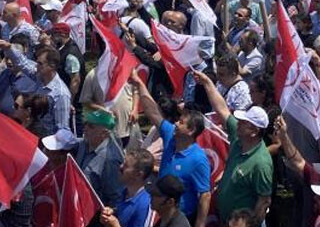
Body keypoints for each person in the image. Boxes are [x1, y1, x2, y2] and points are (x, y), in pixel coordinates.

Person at [132, 72, 212, 227]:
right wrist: (139, 84)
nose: (175, 124)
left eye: (181, 122)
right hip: (160, 214)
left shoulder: (198, 159)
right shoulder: (170, 135)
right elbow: (153, 112)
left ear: (191, 130)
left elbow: (205, 195)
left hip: (181, 219)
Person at [195, 71, 273, 224]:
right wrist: (207, 83)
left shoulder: (261, 163)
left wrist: (251, 223)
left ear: (254, 131)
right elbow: (222, 109)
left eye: (244, 122)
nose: (238, 123)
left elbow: (264, 200)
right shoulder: (239, 139)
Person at [74, 109, 126, 208]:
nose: (85, 128)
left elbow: (115, 197)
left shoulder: (110, 160)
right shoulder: (84, 144)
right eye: (85, 124)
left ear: (104, 134)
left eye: (91, 126)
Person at [102, 149, 156, 227]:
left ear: (138, 174)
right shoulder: (123, 193)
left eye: (126, 166)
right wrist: (110, 214)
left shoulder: (145, 205)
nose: (120, 167)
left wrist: (115, 225)